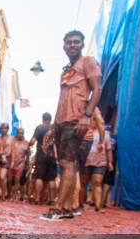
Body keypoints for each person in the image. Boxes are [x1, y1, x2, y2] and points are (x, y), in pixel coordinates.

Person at [41, 30, 102, 220]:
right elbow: (62, 99)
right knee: (65, 164)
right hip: (61, 122)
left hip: (76, 121)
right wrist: (53, 127)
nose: (72, 45)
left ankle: (58, 208)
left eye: (76, 42)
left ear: (82, 45)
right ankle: (67, 209)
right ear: (64, 46)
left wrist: (87, 115)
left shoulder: (88, 61)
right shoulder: (66, 70)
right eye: (69, 42)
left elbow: (97, 89)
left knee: (68, 164)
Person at [82, 113, 111, 212]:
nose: (93, 122)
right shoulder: (85, 132)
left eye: (95, 120)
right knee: (84, 183)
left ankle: (98, 206)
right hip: (86, 160)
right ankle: (80, 203)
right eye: (92, 120)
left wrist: (110, 162)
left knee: (97, 182)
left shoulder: (106, 134)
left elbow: (109, 149)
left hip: (100, 162)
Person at [29, 112, 57, 204]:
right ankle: (52, 200)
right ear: (50, 119)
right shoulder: (54, 128)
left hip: (41, 156)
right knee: (52, 179)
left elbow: (32, 141)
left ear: (43, 119)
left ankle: (37, 198)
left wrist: (29, 144)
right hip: (52, 156)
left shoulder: (39, 128)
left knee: (39, 177)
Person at [8, 127, 30, 201]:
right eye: (19, 133)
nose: (20, 135)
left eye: (22, 133)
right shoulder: (12, 141)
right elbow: (10, 152)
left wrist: (27, 165)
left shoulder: (26, 143)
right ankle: (9, 194)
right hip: (12, 163)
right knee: (10, 180)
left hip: (21, 164)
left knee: (17, 179)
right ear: (16, 133)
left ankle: (14, 196)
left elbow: (28, 155)